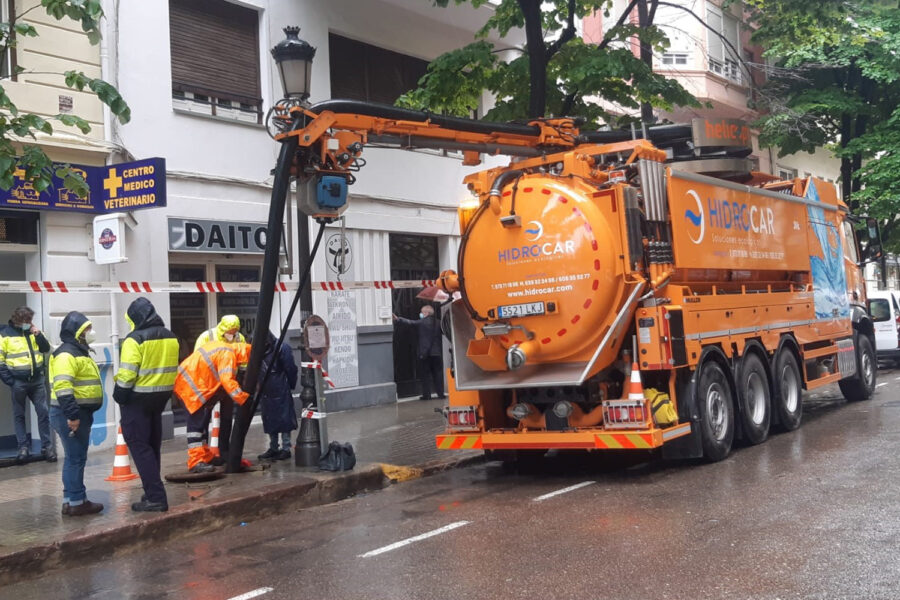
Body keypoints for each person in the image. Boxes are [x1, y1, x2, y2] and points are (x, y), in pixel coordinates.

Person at [113, 298, 179, 512]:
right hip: (160, 400)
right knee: (151, 448)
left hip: (136, 401)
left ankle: (156, 497)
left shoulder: (135, 339)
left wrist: (119, 395)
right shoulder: (171, 337)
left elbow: (127, 374)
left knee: (141, 449)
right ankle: (151, 493)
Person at [49, 311, 103, 517]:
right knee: (75, 459)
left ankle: (70, 500)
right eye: (87, 329)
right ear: (77, 332)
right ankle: (78, 502)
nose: (91, 332)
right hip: (70, 414)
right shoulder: (66, 354)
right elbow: (63, 387)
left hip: (76, 413)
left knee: (74, 458)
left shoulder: (78, 351)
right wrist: (72, 415)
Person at [174, 340, 250, 472]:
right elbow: (227, 381)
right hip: (192, 388)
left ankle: (204, 457)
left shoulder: (225, 348)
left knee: (202, 424)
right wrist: (243, 398)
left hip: (190, 384)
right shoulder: (229, 354)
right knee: (196, 426)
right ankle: (195, 462)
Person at [0, 306, 55, 463]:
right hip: (19, 382)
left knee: (43, 413)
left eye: (30, 320)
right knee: (19, 415)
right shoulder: (4, 335)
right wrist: (11, 381)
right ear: (17, 320)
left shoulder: (33, 332)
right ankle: (22, 447)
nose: (28, 323)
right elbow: (0, 362)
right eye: (26, 321)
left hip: (37, 381)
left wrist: (37, 335)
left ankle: (47, 446)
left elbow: (45, 349)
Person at [193, 315, 245, 464]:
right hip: (209, 385)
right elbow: (197, 362)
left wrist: (240, 380)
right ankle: (203, 453)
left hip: (228, 384)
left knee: (227, 418)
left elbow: (243, 363)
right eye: (230, 331)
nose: (232, 334)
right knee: (203, 419)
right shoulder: (206, 337)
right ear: (222, 329)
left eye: (235, 331)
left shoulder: (239, 338)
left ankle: (225, 452)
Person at [257, 332, 298, 461]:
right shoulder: (262, 349)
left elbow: (290, 368)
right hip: (267, 389)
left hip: (280, 387)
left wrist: (290, 384)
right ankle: (274, 447)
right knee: (270, 418)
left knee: (283, 418)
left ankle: (286, 448)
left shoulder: (281, 348)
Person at [393, 305, 445, 400]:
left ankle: (427, 395)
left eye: (422, 312)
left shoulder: (422, 322)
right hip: (436, 353)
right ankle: (440, 394)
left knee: (425, 375)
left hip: (425, 353)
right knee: (438, 374)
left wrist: (398, 319)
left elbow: (410, 323)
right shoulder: (438, 323)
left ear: (426, 313)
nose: (420, 314)